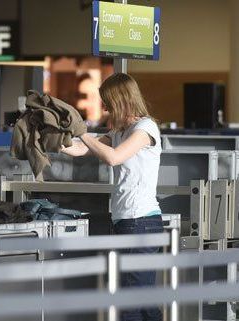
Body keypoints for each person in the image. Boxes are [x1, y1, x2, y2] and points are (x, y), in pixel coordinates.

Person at [61, 73, 163, 321]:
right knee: (143, 300)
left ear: (122, 99)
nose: (105, 108)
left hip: (141, 223)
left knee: (130, 303)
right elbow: (81, 149)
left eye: (107, 101)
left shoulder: (145, 129)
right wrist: (54, 138)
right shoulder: (119, 131)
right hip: (125, 222)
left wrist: (82, 131)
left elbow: (113, 157)